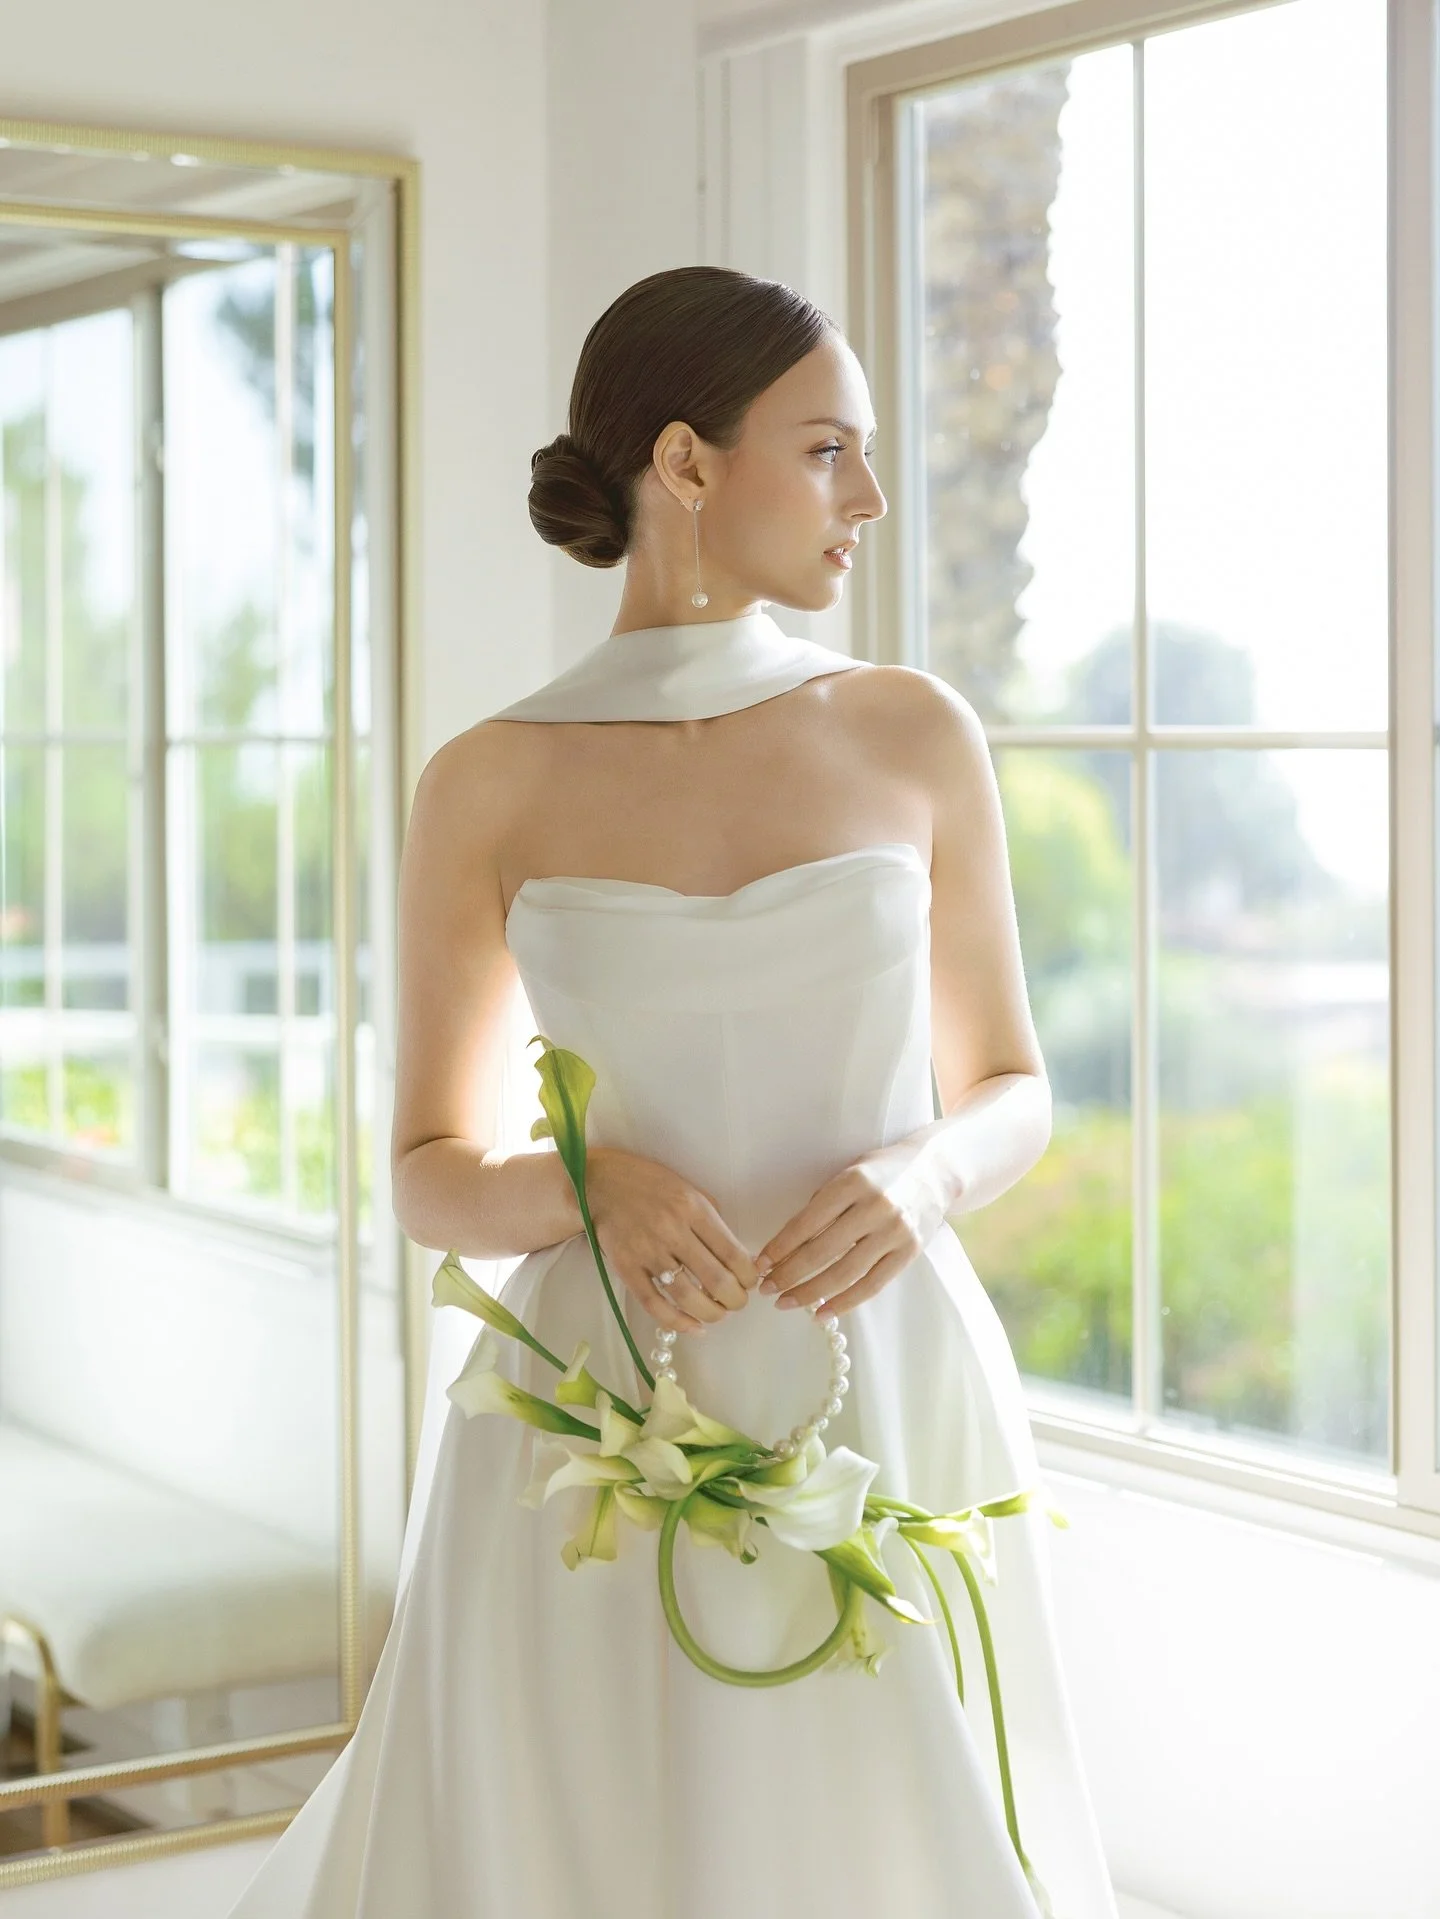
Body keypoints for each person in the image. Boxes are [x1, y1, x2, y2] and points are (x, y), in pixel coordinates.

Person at [225, 265, 1118, 1918]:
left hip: (886, 1371)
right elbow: (427, 1168)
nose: (866, 495)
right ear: (688, 464)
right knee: (584, 1840)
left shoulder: (913, 731)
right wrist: (589, 1184)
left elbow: (1009, 1084)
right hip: (590, 1413)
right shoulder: (490, 778)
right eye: (827, 446)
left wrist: (922, 1175)